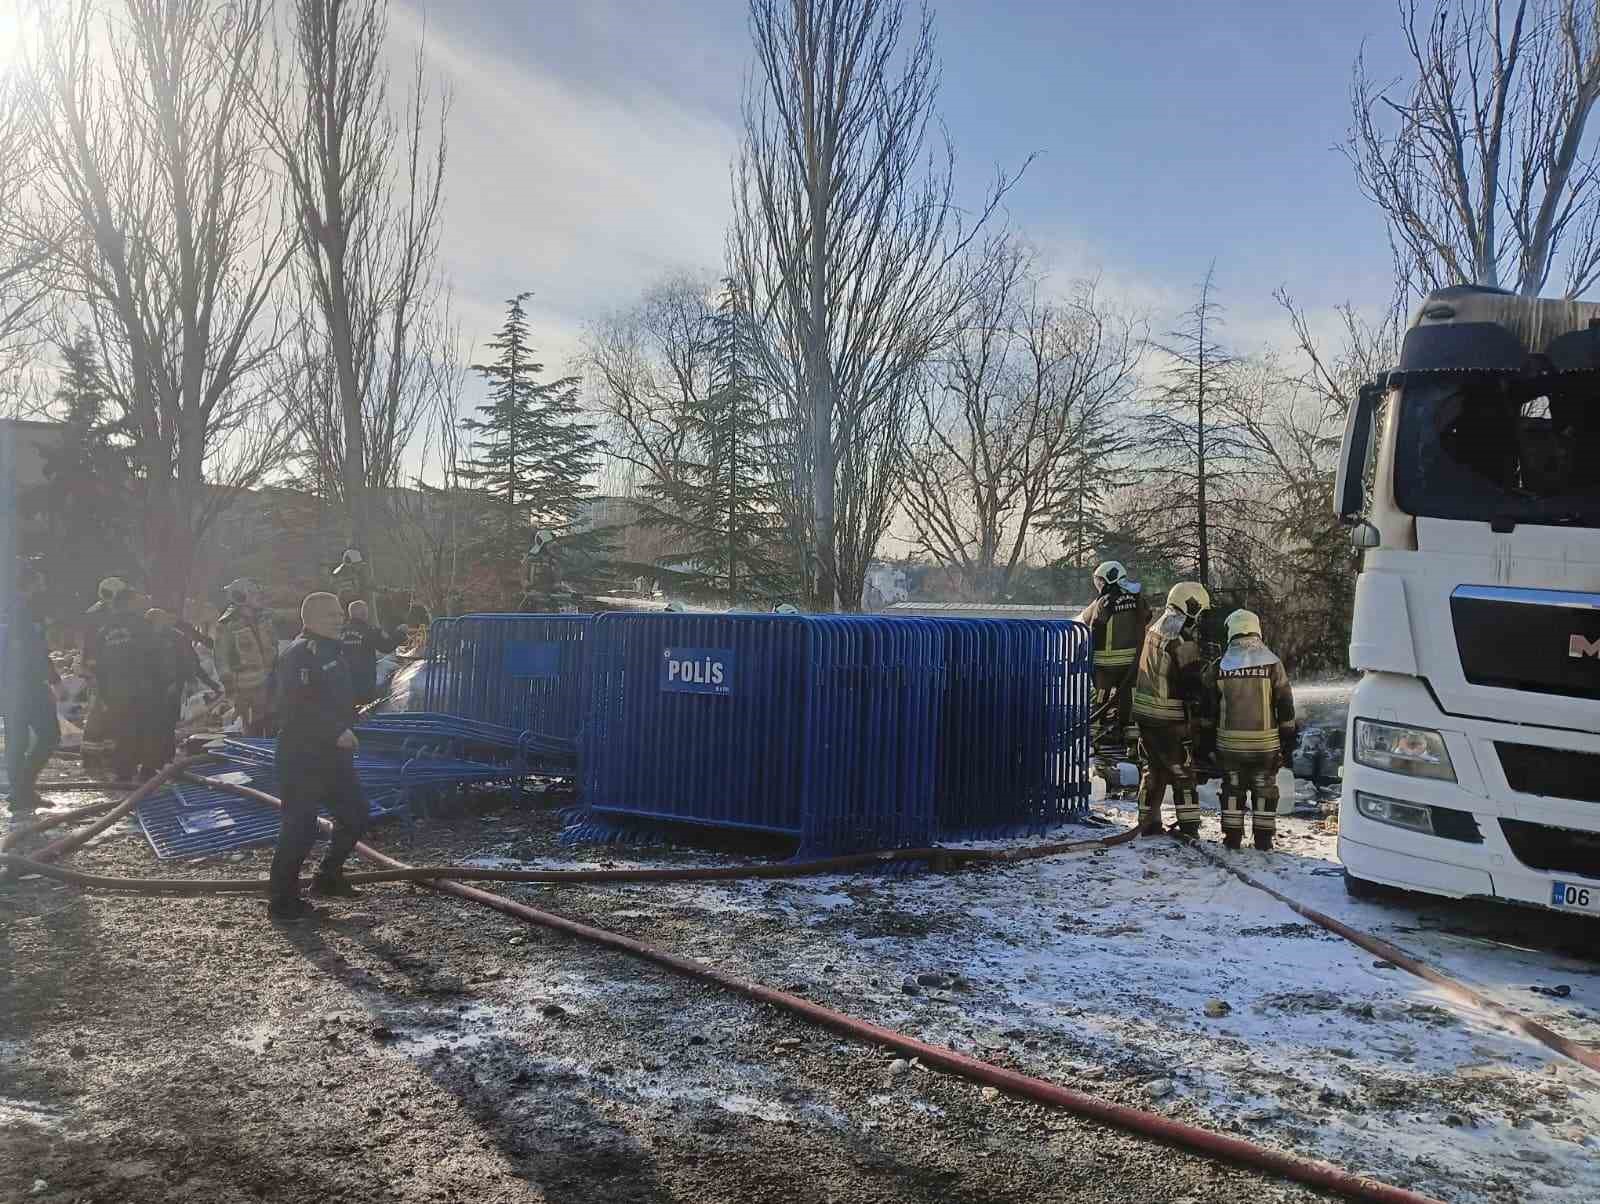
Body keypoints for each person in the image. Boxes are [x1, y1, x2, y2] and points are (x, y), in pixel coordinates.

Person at [267, 592, 369, 924]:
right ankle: (283, 901)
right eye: (330, 615)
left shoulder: (334, 652)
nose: (338, 619)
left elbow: (332, 698)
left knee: (354, 815)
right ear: (309, 618)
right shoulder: (298, 654)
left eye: (340, 614)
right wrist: (332, 731)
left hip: (333, 757)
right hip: (302, 756)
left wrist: (354, 717)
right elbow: (293, 708)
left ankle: (327, 877)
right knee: (300, 828)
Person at [1202, 610, 1297, 851]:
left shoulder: (1219, 666)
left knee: (1232, 790)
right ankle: (1263, 841)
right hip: (1265, 746)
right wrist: (1287, 743)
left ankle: (1232, 838)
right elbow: (1285, 706)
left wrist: (1206, 745)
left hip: (1230, 746)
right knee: (1265, 790)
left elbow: (1208, 711)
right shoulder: (1273, 664)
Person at [1131, 581, 1211, 837]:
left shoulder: (1155, 628)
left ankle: (1148, 823)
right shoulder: (1181, 641)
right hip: (1169, 720)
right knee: (1183, 773)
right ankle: (1189, 827)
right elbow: (1191, 685)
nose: (1198, 620)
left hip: (1145, 717)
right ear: (1191, 606)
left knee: (1152, 770)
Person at [1076, 560, 1152, 791]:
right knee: (1129, 705)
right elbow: (1147, 616)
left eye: (1099, 581)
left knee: (1100, 703)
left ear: (1107, 579)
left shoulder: (1104, 601)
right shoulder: (1136, 599)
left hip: (1105, 665)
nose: (1098, 585)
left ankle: (1096, 746)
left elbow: (1088, 623)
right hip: (1130, 665)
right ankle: (1132, 748)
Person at [82, 577, 155, 782]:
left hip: (107, 676)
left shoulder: (103, 616)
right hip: (114, 677)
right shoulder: (102, 616)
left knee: (114, 718)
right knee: (103, 714)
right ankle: (95, 757)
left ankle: (110, 758)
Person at [3, 561, 61, 818]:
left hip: (11, 687)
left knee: (18, 741)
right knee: (48, 735)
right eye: (40, 581)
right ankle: (21, 790)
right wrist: (51, 679)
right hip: (25, 686)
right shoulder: (22, 611)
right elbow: (32, 651)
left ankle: (22, 792)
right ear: (29, 584)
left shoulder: (15, 609)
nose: (44, 586)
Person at [145, 608, 220, 768]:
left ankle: (163, 760)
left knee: (166, 724)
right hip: (154, 689)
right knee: (158, 725)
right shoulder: (145, 639)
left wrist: (212, 685)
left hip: (169, 688)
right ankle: (156, 761)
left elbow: (192, 663)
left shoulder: (176, 638)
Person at [215, 578, 278, 738]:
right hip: (245, 686)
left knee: (272, 723)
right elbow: (221, 658)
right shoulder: (227, 625)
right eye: (253, 593)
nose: (258, 597)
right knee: (252, 727)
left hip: (270, 679)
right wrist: (230, 687)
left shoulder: (265, 618)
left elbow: (273, 645)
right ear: (240, 596)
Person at [338, 600, 406, 707]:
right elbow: (386, 647)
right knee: (365, 710)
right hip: (365, 679)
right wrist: (400, 633)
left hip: (343, 679)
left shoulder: (339, 631)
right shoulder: (370, 631)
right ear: (364, 614)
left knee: (347, 709)